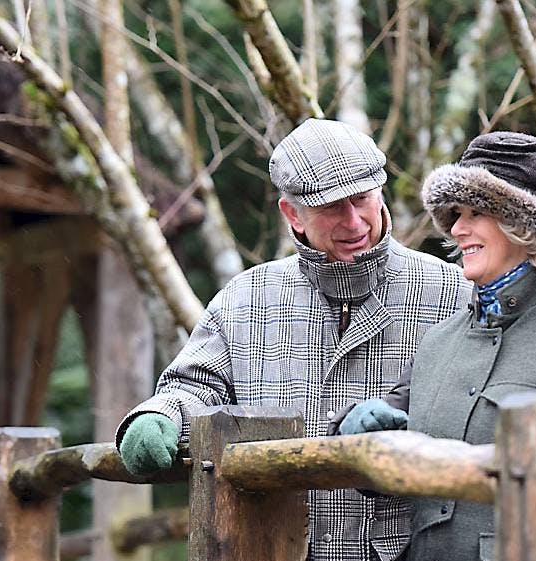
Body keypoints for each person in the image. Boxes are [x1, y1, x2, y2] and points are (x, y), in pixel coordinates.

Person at [115, 119, 470, 561]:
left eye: (362, 199)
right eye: (331, 208)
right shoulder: (246, 298)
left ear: (381, 189)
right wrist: (158, 417)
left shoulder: (454, 292)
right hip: (271, 547)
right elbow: (194, 388)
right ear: (292, 214)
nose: (354, 221)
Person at [335, 131, 536, 561]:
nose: (456, 228)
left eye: (475, 212)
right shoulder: (439, 340)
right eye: (455, 213)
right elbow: (379, 440)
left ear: (525, 224)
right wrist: (352, 428)